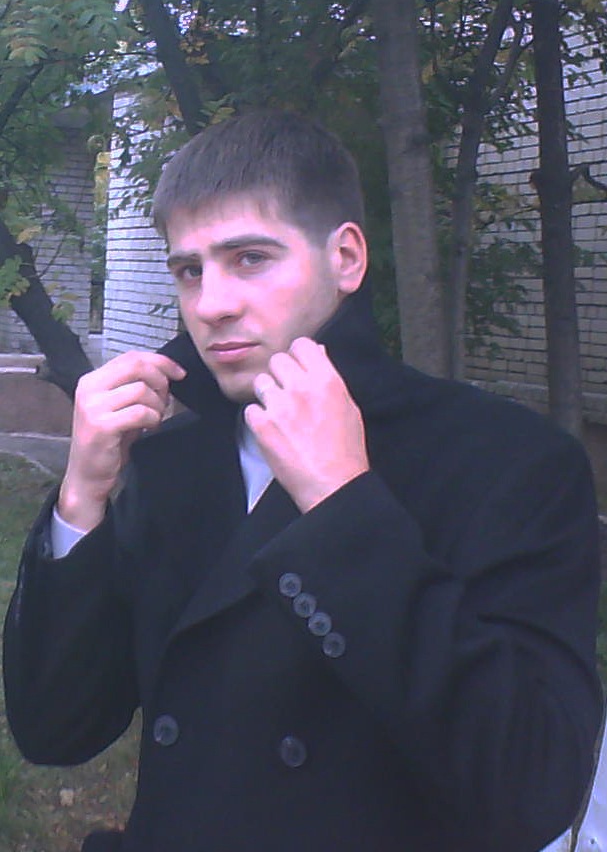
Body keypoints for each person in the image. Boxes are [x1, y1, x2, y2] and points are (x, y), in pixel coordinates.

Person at [2, 109, 603, 852]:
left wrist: (342, 506)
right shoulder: (170, 462)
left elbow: (532, 790)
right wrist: (80, 499)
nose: (211, 303)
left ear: (345, 257)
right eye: (189, 270)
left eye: (249, 258)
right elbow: (56, 729)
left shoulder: (507, 462)